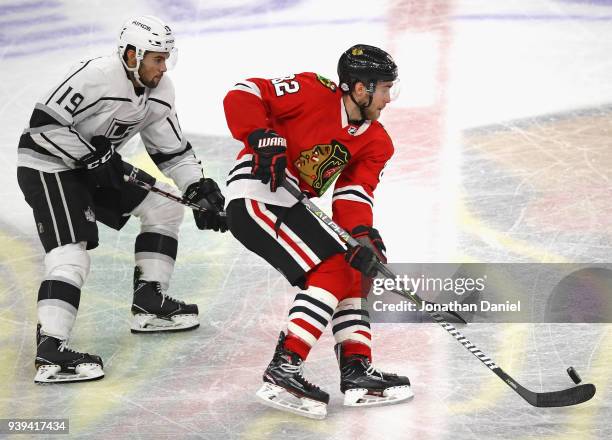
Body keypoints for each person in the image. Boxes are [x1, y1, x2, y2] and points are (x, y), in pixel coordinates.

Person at [17, 15, 226, 384]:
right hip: (47, 166)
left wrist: (198, 187)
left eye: (166, 58)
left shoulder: (161, 92)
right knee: (70, 252)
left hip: (94, 167)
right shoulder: (96, 76)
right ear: (132, 54)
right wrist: (91, 156)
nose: (163, 67)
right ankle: (50, 350)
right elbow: (42, 126)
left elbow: (172, 152)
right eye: (156, 59)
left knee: (164, 206)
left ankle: (149, 302)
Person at [223, 44, 413, 419]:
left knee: (354, 268)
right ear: (360, 88)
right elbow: (244, 92)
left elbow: (354, 193)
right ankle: (285, 367)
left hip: (290, 202)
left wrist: (362, 235)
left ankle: (357, 370)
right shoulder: (312, 90)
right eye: (385, 88)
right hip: (257, 192)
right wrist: (260, 135)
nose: (389, 98)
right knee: (330, 269)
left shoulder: (377, 140)